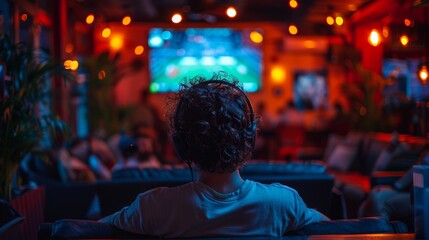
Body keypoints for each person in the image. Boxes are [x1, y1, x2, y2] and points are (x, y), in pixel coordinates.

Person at [99, 73, 328, 238]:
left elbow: (87, 231)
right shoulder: (284, 203)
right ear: (249, 140)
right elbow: (332, 229)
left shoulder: (151, 207)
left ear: (182, 146)